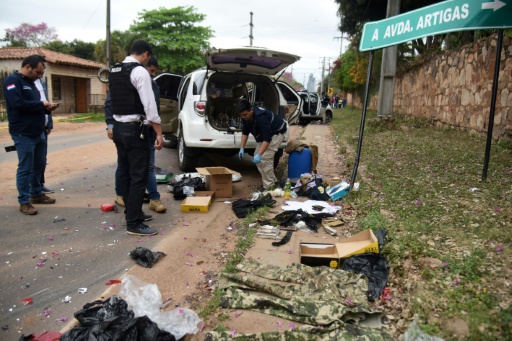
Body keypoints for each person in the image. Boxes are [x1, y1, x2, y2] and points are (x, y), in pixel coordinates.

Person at [108, 40, 164, 236]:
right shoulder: (139, 71)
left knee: (125, 173)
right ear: (146, 54)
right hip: (134, 129)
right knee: (139, 175)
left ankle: (132, 213)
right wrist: (158, 132)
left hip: (118, 128)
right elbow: (150, 107)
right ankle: (134, 223)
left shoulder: (114, 70)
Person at [3, 55, 59, 215]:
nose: (40, 76)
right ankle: (24, 201)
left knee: (39, 164)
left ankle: (37, 194)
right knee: (25, 168)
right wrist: (41, 104)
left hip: (39, 131)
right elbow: (17, 104)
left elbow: (34, 106)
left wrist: (46, 108)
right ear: (27, 67)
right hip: (23, 132)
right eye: (38, 72)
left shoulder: (31, 83)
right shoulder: (12, 81)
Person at [236, 99, 288, 191]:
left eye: (245, 114)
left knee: (265, 158)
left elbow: (267, 139)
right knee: (258, 160)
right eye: (241, 115)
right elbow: (245, 133)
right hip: (266, 135)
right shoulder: (246, 117)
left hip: (277, 132)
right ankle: (272, 181)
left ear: (251, 110)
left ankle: (269, 186)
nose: (243, 117)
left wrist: (260, 155)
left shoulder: (261, 117)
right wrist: (241, 148)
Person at [34, 76, 55, 194]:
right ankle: (32, 188)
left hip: (43, 126)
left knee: (41, 159)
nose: (42, 72)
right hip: (30, 129)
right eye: (40, 69)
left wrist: (49, 123)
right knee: (31, 161)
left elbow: (46, 101)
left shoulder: (41, 82)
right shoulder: (23, 82)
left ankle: (39, 184)